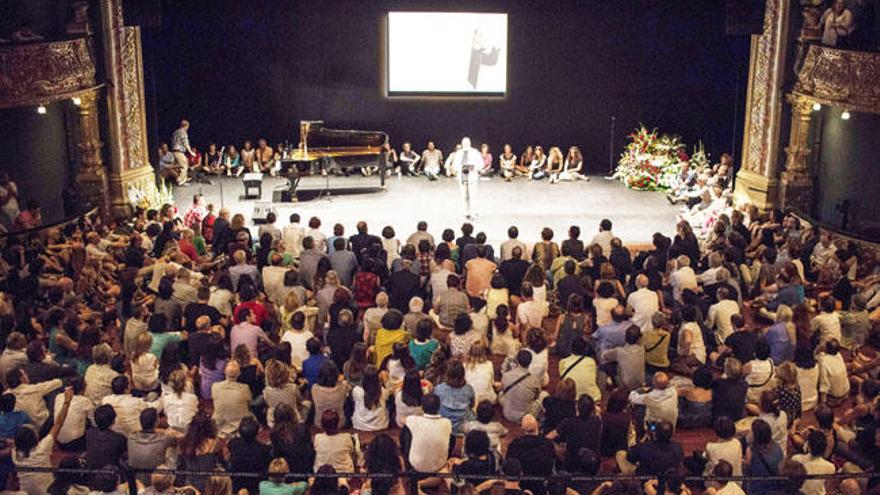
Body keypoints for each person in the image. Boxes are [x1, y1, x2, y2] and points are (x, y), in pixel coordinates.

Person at [14, 387, 74, 495]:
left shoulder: (15, 454)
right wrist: (67, 401)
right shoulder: (43, 448)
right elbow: (58, 424)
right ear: (35, 439)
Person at [450, 137, 483, 219]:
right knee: (464, 195)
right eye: (464, 144)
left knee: (472, 195)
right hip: (462, 176)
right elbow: (454, 165)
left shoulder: (475, 152)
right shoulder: (459, 153)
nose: (465, 145)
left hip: (472, 176)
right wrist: (461, 168)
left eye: (467, 143)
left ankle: (473, 212)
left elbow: (481, 164)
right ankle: (465, 212)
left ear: (470, 143)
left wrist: (474, 167)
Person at [170, 119, 193, 186]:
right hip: (178, 151)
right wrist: (191, 152)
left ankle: (184, 178)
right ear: (186, 126)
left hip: (174, 151)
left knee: (183, 164)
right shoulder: (183, 132)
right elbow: (186, 143)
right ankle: (180, 180)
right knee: (184, 165)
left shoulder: (175, 132)